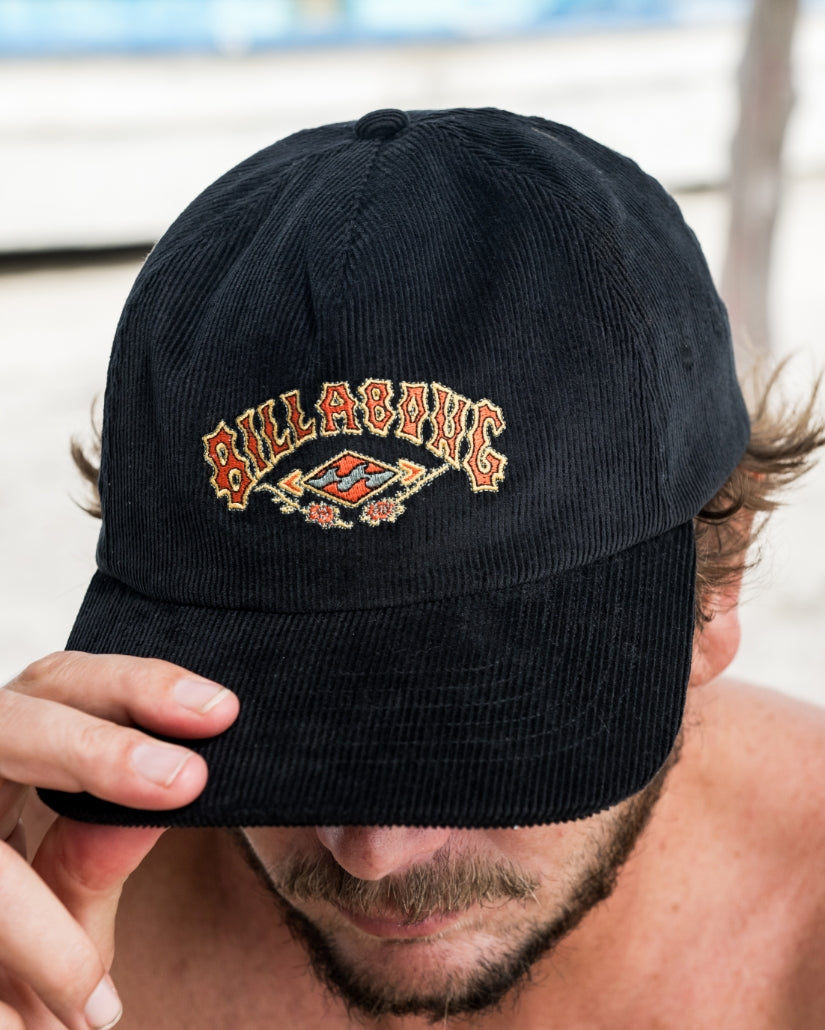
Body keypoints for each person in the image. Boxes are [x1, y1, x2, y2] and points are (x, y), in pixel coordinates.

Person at [1, 107, 824, 1030]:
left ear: (718, 583)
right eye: (282, 730)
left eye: (482, 735)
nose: (372, 855)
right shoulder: (47, 892)